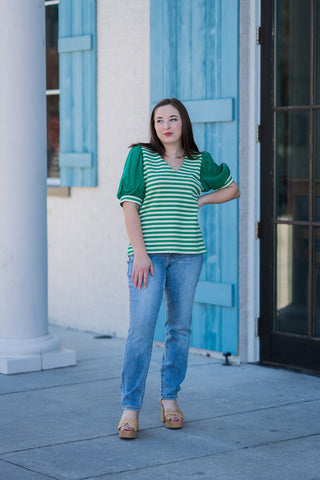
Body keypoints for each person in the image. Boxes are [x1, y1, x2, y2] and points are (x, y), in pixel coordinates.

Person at [117, 98, 240, 439]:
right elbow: (129, 207)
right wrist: (140, 254)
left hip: (188, 256)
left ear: (183, 123)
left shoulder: (200, 163)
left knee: (179, 330)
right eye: (159, 120)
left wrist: (202, 198)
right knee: (141, 331)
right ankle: (130, 409)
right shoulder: (140, 157)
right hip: (148, 258)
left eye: (173, 119)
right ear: (153, 126)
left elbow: (233, 189)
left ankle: (169, 400)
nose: (166, 125)